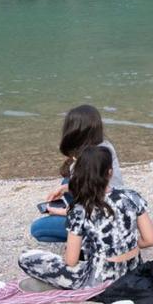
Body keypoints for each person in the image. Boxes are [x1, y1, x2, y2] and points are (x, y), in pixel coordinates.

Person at [19, 145, 153, 289]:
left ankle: (56, 284)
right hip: (133, 270)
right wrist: (122, 246)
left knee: (26, 258)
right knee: (91, 239)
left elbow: (71, 261)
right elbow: (150, 240)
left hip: (99, 279)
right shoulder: (132, 196)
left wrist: (69, 250)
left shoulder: (80, 209)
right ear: (110, 173)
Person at [30, 104, 125, 244]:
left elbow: (91, 208)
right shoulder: (104, 146)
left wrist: (61, 212)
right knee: (65, 183)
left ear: (74, 130)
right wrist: (65, 188)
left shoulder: (89, 158)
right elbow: (93, 185)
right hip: (114, 204)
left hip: (102, 219)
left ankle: (87, 243)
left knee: (38, 229)